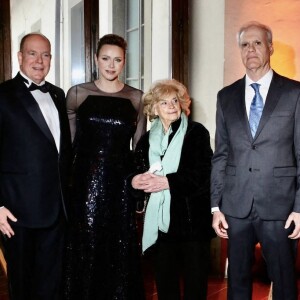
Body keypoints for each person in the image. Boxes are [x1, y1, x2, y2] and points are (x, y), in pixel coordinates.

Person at [211, 21, 300, 300]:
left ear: (270, 47)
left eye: (258, 43)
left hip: (280, 207)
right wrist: (216, 206)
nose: (251, 49)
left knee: (284, 281)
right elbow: (221, 154)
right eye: (245, 44)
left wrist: (299, 207)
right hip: (235, 207)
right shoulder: (226, 97)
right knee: (236, 280)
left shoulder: (294, 93)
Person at [63, 33, 146, 299]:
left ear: (124, 62)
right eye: (106, 58)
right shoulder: (77, 93)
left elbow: (139, 148)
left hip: (121, 186)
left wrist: (139, 193)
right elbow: (68, 147)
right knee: (86, 247)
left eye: (117, 60)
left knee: (118, 250)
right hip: (85, 184)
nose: (111, 65)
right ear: (96, 59)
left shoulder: (136, 97)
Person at [0, 33, 71, 300]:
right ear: (20, 57)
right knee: (24, 287)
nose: (40, 61)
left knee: (52, 286)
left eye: (46, 54)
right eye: (33, 53)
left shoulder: (58, 94)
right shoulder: (3, 94)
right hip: (18, 214)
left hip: (58, 212)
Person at [131, 79, 215, 300]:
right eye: (164, 102)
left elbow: (204, 175)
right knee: (165, 287)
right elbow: (136, 173)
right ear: (154, 108)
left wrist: (168, 182)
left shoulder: (196, 133)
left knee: (195, 289)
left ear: (182, 104)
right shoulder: (147, 140)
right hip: (160, 227)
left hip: (192, 224)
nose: (171, 106)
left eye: (175, 100)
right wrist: (136, 181)